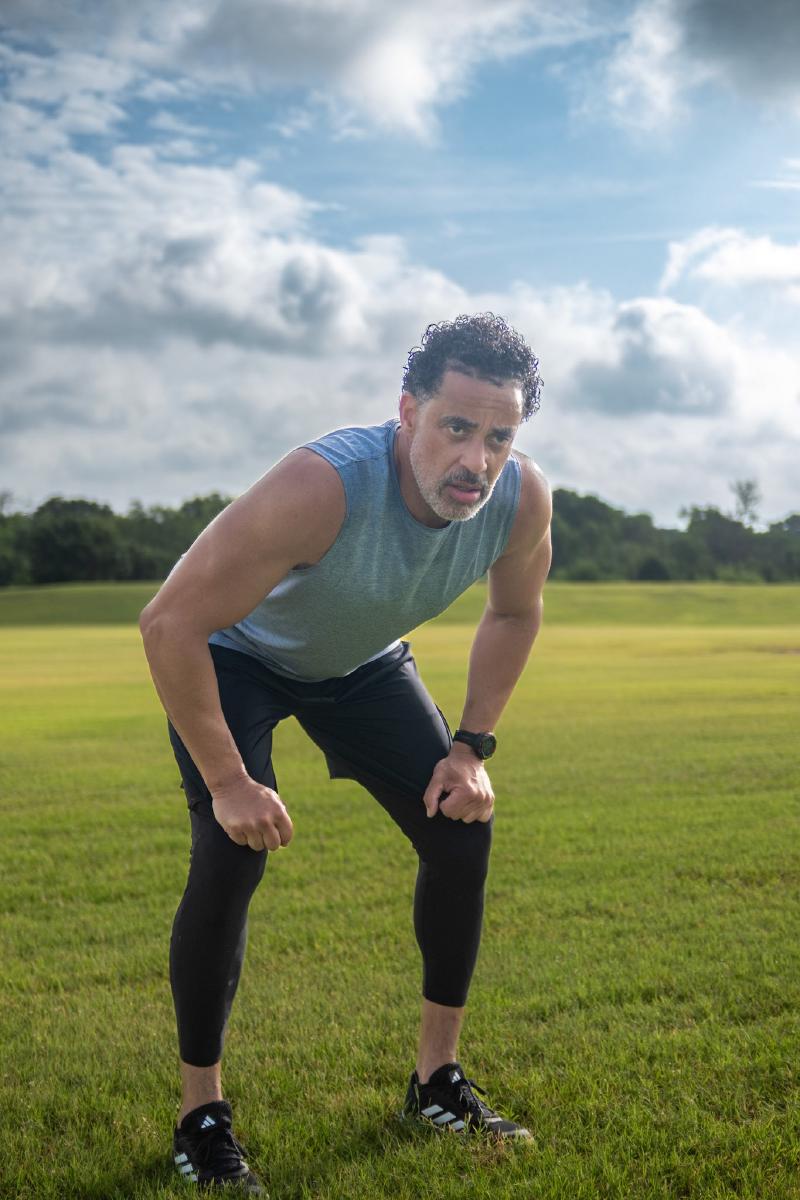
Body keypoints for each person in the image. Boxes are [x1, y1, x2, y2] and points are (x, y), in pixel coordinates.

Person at [139, 312, 552, 1192]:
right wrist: (228, 781)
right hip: (236, 655)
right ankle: (199, 1116)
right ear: (407, 411)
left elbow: (514, 612)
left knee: (459, 826)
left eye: (498, 436)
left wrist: (471, 748)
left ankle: (435, 1079)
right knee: (228, 852)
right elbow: (170, 622)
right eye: (455, 427)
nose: (475, 459)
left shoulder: (520, 501)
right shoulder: (322, 486)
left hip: (360, 665)